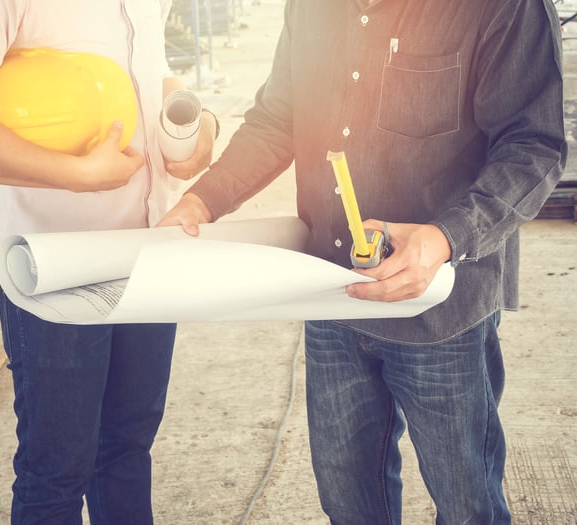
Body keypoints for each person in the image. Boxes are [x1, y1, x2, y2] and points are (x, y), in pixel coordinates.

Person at [158, 0, 566, 523]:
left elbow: (533, 146)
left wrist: (446, 237)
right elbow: (279, 118)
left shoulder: (503, 7)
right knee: (348, 501)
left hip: (443, 309)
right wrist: (202, 200)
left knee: (467, 502)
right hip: (333, 296)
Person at [0, 1, 218, 523]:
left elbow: (148, 70)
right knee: (57, 471)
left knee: (126, 450)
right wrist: (78, 175)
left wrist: (198, 121)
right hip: (55, 268)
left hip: (149, 256)